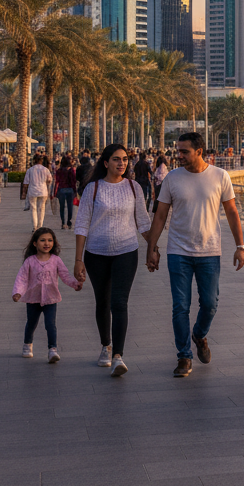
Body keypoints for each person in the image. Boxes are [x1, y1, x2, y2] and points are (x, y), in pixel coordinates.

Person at [145, 132, 244, 377]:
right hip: (178, 251)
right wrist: (152, 248)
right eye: (177, 151)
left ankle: (199, 335)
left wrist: (240, 246)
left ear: (199, 151)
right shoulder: (172, 178)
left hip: (210, 252)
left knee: (210, 304)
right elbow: (160, 215)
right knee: (180, 306)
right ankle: (184, 356)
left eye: (184, 152)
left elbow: (231, 212)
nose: (178, 156)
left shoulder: (220, 176)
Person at [73, 143, 153, 378]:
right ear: (106, 163)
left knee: (119, 302)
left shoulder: (134, 187)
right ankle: (105, 346)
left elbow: (143, 222)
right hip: (96, 254)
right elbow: (81, 225)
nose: (122, 163)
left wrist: (153, 248)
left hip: (127, 251)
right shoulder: (93, 189)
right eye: (117, 159)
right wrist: (78, 260)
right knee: (103, 302)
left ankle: (118, 355)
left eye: (125, 159)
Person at [13, 226, 82, 361]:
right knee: (31, 323)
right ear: (35, 243)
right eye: (42, 240)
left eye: (50, 240)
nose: (46, 243)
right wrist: (17, 292)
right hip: (33, 299)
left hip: (51, 298)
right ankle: (27, 344)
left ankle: (52, 349)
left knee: (50, 324)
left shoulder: (56, 260)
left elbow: (65, 276)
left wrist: (76, 284)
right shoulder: (30, 261)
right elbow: (21, 278)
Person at [23, 156, 53, 230]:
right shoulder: (46, 170)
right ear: (41, 161)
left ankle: (34, 226)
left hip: (32, 191)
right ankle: (40, 225)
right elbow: (49, 180)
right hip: (43, 191)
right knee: (41, 208)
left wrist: (24, 192)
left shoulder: (30, 170)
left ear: (34, 161)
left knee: (33, 209)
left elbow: (26, 183)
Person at [53, 156, 78, 230]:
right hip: (70, 190)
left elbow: (57, 181)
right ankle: (69, 222)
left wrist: (55, 191)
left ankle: (63, 223)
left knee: (62, 207)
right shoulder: (71, 170)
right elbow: (73, 181)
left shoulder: (59, 171)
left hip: (61, 190)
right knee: (70, 207)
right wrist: (75, 190)